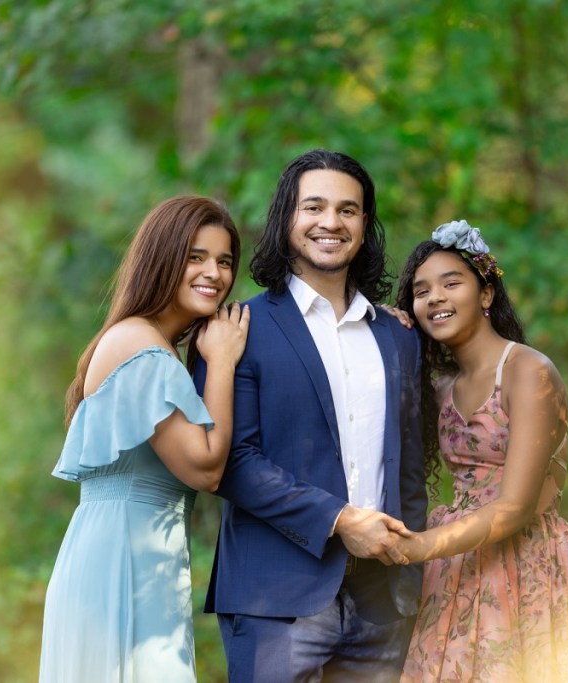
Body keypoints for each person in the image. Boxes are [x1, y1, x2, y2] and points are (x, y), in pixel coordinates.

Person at [196, 149, 428, 682]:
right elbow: (231, 461)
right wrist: (340, 520)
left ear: (365, 226)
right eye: (314, 207)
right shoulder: (238, 328)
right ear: (287, 218)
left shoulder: (398, 337)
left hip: (382, 603)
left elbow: (409, 469)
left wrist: (412, 579)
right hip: (275, 599)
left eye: (348, 210)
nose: (331, 222)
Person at [393, 221, 568, 682]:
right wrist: (385, 327)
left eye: (451, 283)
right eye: (421, 291)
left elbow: (515, 507)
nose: (435, 297)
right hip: (458, 568)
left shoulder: (528, 371)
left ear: (486, 294)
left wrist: (419, 546)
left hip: (525, 560)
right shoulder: (441, 387)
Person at [39, 196, 250, 683]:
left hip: (145, 562)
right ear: (162, 259)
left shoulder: (155, 347)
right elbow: (206, 467)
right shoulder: (138, 343)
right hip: (119, 563)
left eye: (224, 261)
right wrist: (222, 362)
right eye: (195, 257)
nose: (214, 273)